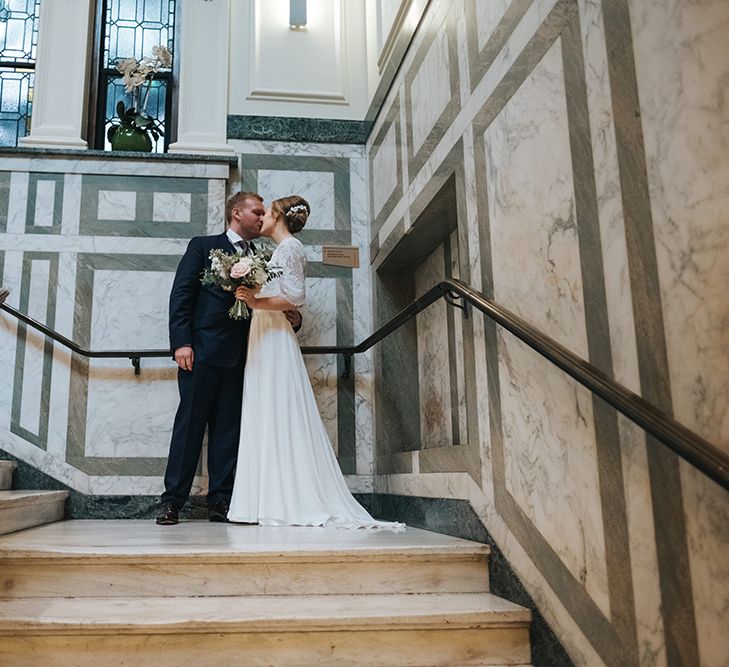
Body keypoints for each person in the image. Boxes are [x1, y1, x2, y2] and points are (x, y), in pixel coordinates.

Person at [228, 195, 402, 529]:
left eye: (266, 212)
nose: (261, 217)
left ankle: (286, 500)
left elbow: (295, 296)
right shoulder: (278, 251)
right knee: (266, 410)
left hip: (275, 336)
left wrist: (254, 300)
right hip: (263, 333)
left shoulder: (290, 248)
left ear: (278, 217)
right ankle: (266, 499)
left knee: (278, 409)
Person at [156, 192, 301, 525]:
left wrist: (292, 318)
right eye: (257, 211)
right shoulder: (203, 246)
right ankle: (172, 502)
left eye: (265, 212)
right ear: (237, 213)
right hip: (202, 353)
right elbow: (182, 295)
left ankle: (220, 501)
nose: (262, 217)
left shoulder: (265, 255)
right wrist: (181, 343)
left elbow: (275, 299)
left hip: (245, 357)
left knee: (229, 431)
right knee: (189, 427)